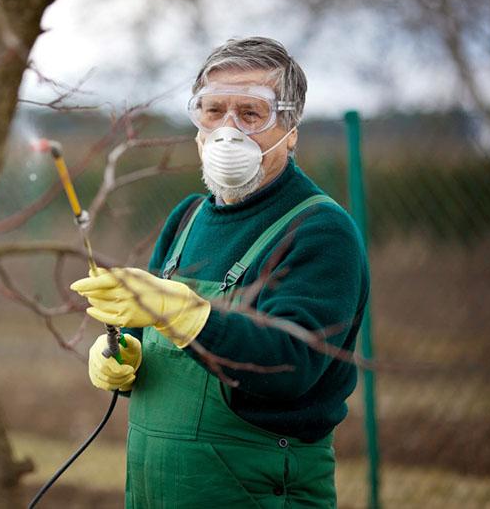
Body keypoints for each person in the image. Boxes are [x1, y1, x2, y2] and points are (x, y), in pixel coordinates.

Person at [70, 37, 370, 508]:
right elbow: (150, 337)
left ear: (290, 130)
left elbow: (291, 365)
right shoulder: (187, 218)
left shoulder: (320, 231)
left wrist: (186, 313)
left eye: (251, 114)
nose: (228, 130)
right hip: (156, 490)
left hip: (255, 491)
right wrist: (123, 352)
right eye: (213, 111)